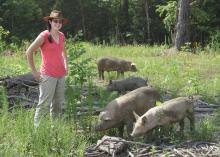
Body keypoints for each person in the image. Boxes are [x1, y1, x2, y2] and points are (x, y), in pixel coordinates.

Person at [26, 10, 69, 127]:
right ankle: (38, 133)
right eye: (55, 21)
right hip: (47, 75)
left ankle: (55, 131)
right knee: (44, 104)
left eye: (60, 22)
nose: (58, 23)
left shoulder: (61, 35)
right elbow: (29, 52)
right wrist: (34, 71)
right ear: (50, 21)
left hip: (61, 75)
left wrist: (66, 65)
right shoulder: (44, 36)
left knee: (57, 105)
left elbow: (64, 52)